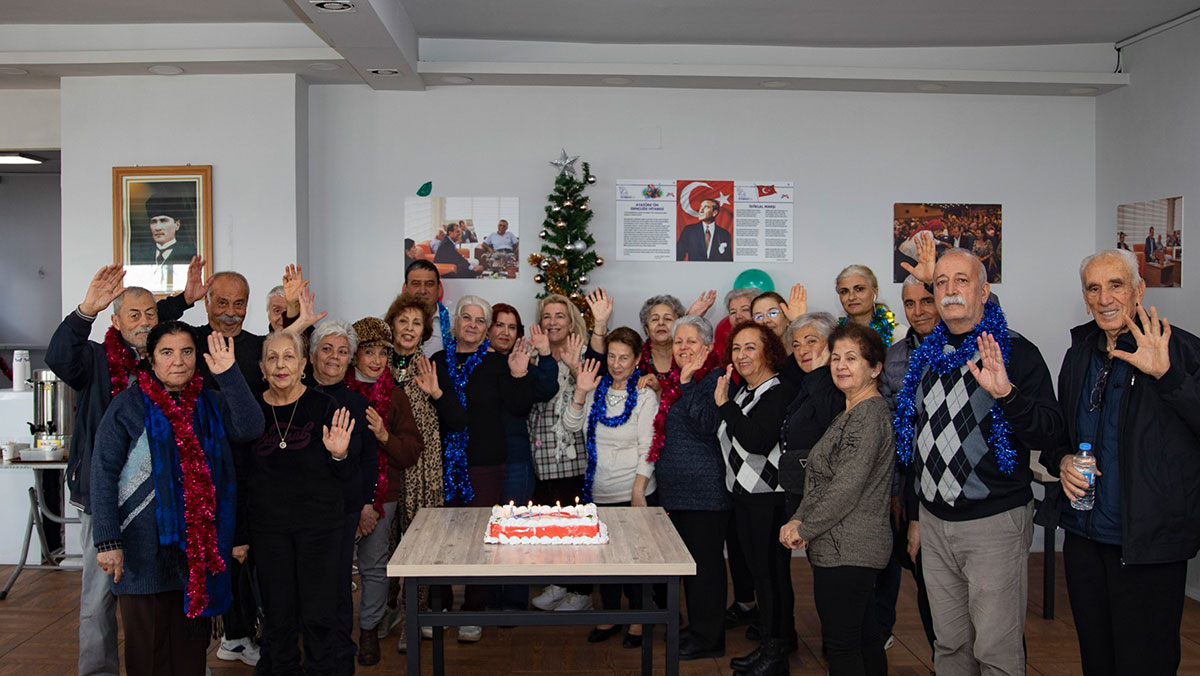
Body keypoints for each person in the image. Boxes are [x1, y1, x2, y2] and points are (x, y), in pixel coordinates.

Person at [896, 248, 1064, 675]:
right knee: (949, 645)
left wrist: (1006, 395)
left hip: (994, 521)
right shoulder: (925, 356)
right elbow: (919, 442)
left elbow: (1048, 432)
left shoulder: (1016, 352)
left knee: (995, 650)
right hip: (934, 522)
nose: (950, 290)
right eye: (941, 283)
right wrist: (916, 516)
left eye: (962, 281)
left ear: (985, 292)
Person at [1039, 249, 1200, 675]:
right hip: (1085, 540)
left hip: (1148, 545)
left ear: (1139, 290)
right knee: (1098, 660)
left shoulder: (1179, 351)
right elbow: (1059, 435)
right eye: (1094, 288)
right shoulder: (1079, 355)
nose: (1105, 298)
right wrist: (1063, 460)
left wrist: (1169, 378)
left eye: (1116, 285)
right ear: (1085, 297)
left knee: (1144, 663)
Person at [46, 261, 204, 676]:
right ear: (114, 321)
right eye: (133, 315)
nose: (145, 321)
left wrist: (184, 300)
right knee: (99, 598)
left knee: (165, 591)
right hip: (104, 497)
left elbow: (156, 319)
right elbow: (59, 356)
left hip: (162, 501)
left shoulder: (165, 361)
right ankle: (97, 671)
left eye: (152, 314)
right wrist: (85, 311)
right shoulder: (96, 359)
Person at [90, 323, 264, 676]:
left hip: (197, 556)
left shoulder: (211, 401)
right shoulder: (128, 405)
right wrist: (108, 541)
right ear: (150, 360)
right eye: (167, 353)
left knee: (189, 654)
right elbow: (102, 473)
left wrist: (229, 375)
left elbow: (250, 427)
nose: (178, 361)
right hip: (142, 552)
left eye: (186, 352)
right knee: (148, 653)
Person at [781, 322, 894, 676]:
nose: (841, 365)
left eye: (852, 358)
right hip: (843, 546)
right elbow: (822, 483)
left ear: (875, 368)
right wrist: (801, 518)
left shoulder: (868, 416)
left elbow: (846, 486)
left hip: (850, 548)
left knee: (844, 647)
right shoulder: (851, 412)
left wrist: (806, 526)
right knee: (864, 637)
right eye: (835, 358)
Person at [248, 330, 358, 675]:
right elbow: (239, 472)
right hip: (269, 532)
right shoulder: (251, 410)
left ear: (303, 364)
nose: (281, 365)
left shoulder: (325, 406)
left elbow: (346, 474)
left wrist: (339, 455)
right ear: (262, 368)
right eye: (273, 358)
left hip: (320, 530)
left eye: (289, 356)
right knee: (278, 616)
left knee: (319, 615)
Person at [432, 295, 534, 641]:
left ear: (485, 327)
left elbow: (520, 408)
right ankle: (439, 606)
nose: (473, 325)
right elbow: (447, 417)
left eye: (480, 320)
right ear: (456, 322)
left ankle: (472, 612)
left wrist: (518, 374)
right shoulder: (437, 361)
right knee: (442, 539)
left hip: (487, 462)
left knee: (479, 538)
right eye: (467, 318)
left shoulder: (496, 364)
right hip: (444, 464)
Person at [711, 322, 798, 676]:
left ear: (769, 352)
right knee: (764, 575)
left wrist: (724, 405)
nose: (742, 355)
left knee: (771, 576)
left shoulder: (776, 391)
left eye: (751, 347)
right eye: (736, 348)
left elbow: (757, 441)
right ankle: (777, 641)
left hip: (768, 500)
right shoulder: (746, 391)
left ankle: (775, 654)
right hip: (745, 497)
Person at [565, 328, 660, 648]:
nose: (617, 364)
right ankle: (608, 616)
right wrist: (580, 391)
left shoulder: (645, 395)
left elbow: (650, 446)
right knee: (603, 561)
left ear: (637, 361)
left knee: (635, 563)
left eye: (624, 358)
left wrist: (638, 491)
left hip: (633, 490)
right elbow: (571, 425)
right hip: (598, 490)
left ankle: (637, 619)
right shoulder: (597, 388)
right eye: (612, 357)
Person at [382, 293, 466, 651]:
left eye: (417, 324)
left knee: (420, 547)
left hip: (424, 469)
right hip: (386, 466)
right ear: (393, 325)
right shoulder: (377, 365)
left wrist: (436, 393)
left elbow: (458, 421)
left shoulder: (433, 366)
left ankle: (415, 619)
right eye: (404, 322)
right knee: (386, 544)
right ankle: (385, 610)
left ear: (425, 331)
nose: (410, 329)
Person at [344, 317, 422, 663]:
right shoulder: (337, 391)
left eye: (382, 353)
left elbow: (410, 452)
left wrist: (384, 437)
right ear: (353, 355)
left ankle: (369, 630)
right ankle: (336, 630)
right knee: (335, 566)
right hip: (341, 497)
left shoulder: (396, 397)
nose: (376, 360)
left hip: (383, 496)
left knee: (375, 565)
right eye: (368, 352)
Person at [654, 315, 728, 660]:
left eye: (691, 342)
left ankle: (709, 639)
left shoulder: (714, 378)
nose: (683, 348)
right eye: (678, 342)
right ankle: (698, 629)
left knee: (705, 569)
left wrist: (684, 383)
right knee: (687, 568)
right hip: (676, 489)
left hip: (703, 491)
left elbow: (706, 424)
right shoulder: (677, 378)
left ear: (708, 347)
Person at [306, 319, 375, 671]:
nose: (334, 357)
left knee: (336, 591)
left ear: (350, 360)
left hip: (342, 512)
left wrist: (366, 504)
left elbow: (368, 460)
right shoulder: (295, 396)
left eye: (343, 351)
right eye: (327, 348)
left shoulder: (356, 403)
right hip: (299, 512)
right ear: (312, 352)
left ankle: (339, 660)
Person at [876, 276, 939, 658]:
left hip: (954, 484)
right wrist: (896, 491)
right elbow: (889, 424)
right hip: (909, 484)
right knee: (924, 579)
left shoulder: (962, 343)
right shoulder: (895, 355)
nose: (918, 311)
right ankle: (941, 657)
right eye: (910, 303)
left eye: (927, 300)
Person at [487, 305, 559, 612]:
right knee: (488, 532)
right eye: (499, 325)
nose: (505, 331)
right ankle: (488, 601)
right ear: (489, 329)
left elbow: (546, 389)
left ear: (519, 333)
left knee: (517, 532)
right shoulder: (478, 363)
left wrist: (543, 355)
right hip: (483, 462)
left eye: (512, 327)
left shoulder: (524, 363)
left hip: (517, 460)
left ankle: (515, 601)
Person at [528, 294, 593, 612]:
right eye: (547, 316)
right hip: (540, 455)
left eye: (560, 316)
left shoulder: (581, 354)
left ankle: (581, 590)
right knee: (551, 524)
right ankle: (559, 581)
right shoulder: (532, 355)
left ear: (571, 322)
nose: (553, 322)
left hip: (574, 454)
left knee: (577, 525)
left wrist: (575, 365)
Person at [778, 312, 842, 516]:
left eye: (810, 341)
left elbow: (831, 423)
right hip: (801, 491)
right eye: (795, 345)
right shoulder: (806, 381)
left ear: (831, 343)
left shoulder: (839, 383)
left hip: (828, 500)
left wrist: (816, 374)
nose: (801, 350)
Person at [835, 264, 906, 347]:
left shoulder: (898, 334)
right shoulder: (833, 335)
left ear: (875, 292)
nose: (851, 297)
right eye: (844, 292)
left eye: (859, 289)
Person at [131, 193, 197, 266]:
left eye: (163, 221)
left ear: (177, 225)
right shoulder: (140, 256)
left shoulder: (190, 256)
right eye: (153, 222)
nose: (157, 228)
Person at [402, 260, 449, 357]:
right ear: (405, 288)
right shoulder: (388, 323)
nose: (423, 291)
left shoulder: (454, 326)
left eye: (429, 284)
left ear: (439, 290)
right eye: (416, 284)